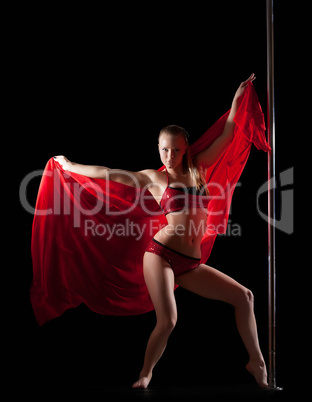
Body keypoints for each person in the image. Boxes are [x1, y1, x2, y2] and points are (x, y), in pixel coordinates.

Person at [54, 73, 268, 389]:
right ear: (158, 148)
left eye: (176, 150)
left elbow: (228, 132)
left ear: (186, 149)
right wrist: (71, 166)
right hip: (161, 256)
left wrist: (239, 97)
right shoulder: (155, 180)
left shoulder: (200, 169)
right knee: (168, 320)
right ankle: (145, 375)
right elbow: (109, 173)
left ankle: (257, 363)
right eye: (164, 150)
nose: (169, 157)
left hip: (190, 264)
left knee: (245, 297)